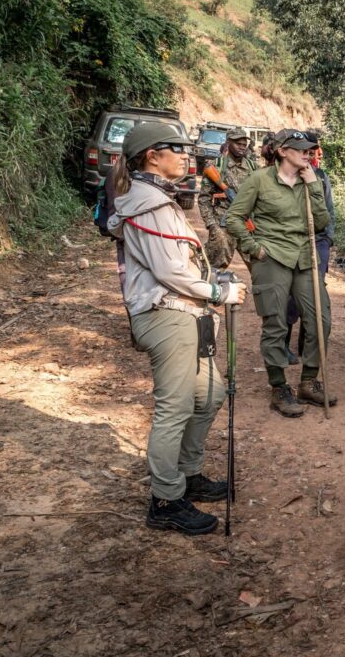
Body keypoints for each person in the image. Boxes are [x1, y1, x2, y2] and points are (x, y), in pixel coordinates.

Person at [107, 122, 247, 535]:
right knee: (176, 406)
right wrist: (217, 293)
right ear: (152, 155)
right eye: (178, 148)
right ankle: (166, 498)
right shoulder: (147, 204)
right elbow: (169, 270)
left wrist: (210, 287)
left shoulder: (160, 199)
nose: (188, 156)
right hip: (167, 314)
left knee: (210, 394)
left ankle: (187, 474)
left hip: (185, 311)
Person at [225, 129, 334, 418]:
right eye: (301, 148)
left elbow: (322, 222)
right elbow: (234, 218)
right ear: (283, 151)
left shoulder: (311, 179)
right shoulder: (259, 180)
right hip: (271, 256)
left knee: (320, 319)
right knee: (275, 322)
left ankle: (309, 380)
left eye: (310, 149)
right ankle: (279, 386)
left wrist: (312, 185)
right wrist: (253, 248)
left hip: (304, 257)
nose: (307, 153)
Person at [284, 133, 336, 365]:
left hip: (319, 241)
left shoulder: (322, 177)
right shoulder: (286, 176)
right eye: (307, 150)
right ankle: (283, 345)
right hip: (295, 243)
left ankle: (307, 347)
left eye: (313, 151)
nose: (311, 154)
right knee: (291, 297)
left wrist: (328, 239)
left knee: (316, 293)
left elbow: (329, 210)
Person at [198, 127, 257, 270]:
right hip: (223, 226)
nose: (242, 147)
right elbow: (204, 199)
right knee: (214, 270)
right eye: (238, 143)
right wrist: (212, 226)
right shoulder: (216, 167)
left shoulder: (253, 167)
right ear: (228, 143)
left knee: (260, 268)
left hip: (248, 225)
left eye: (244, 144)